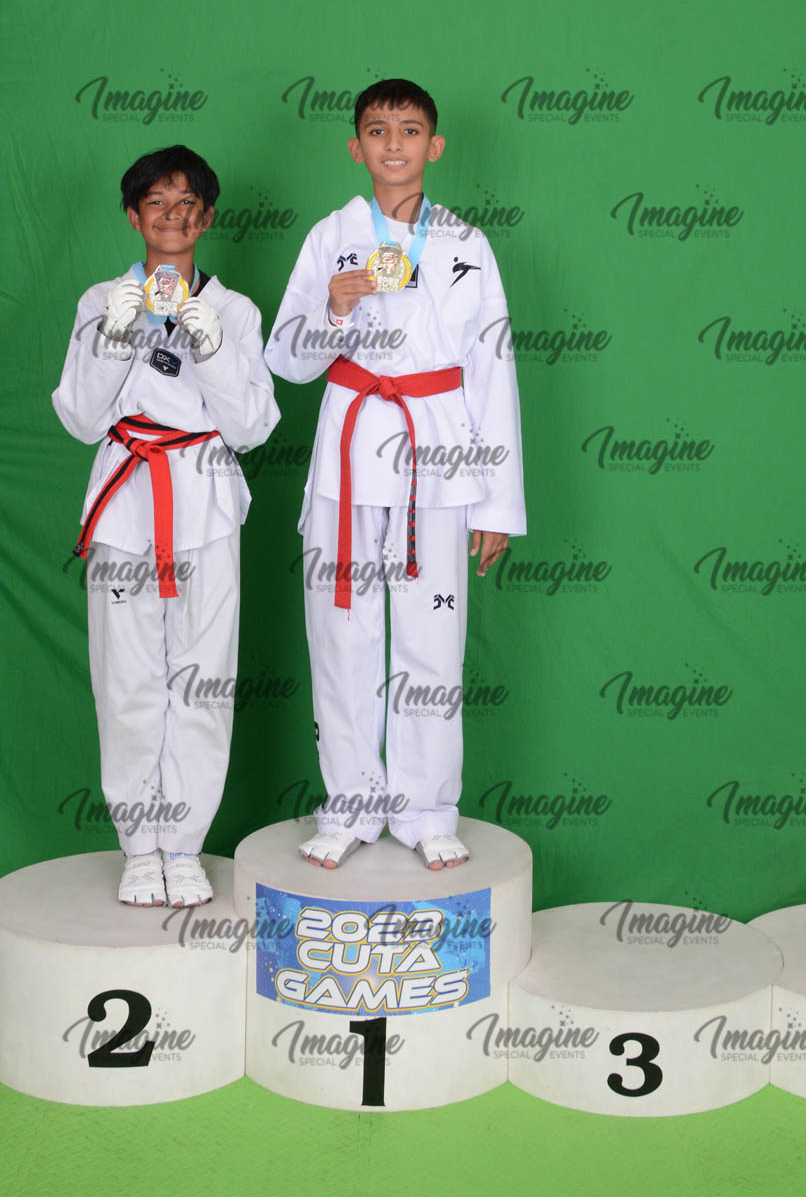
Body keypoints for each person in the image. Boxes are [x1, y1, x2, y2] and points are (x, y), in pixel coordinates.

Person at [265, 78, 526, 871]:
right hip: (349, 455)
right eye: (377, 130)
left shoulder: (468, 245)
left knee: (432, 638)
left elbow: (492, 373)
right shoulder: (331, 237)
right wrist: (334, 312)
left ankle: (426, 808)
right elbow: (286, 358)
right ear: (356, 146)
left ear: (433, 146)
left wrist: (498, 504)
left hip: (439, 458)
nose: (393, 143)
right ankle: (350, 806)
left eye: (410, 130)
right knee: (340, 635)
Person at [52, 145, 279, 907]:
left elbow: (251, 428)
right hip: (126, 506)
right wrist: (116, 335)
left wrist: (209, 344)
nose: (172, 217)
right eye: (157, 203)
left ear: (206, 218)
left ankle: (182, 846)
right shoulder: (99, 301)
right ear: (133, 215)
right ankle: (137, 847)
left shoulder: (236, 312)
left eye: (187, 205)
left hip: (205, 503)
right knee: (128, 684)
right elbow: (81, 416)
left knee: (202, 683)